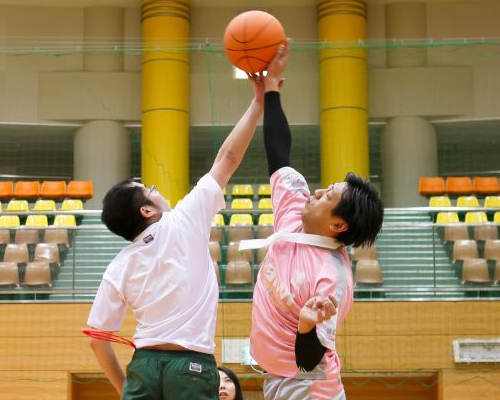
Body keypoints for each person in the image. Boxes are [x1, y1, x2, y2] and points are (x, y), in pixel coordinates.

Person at [84, 49, 288, 399]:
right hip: (190, 365)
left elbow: (98, 340)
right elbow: (228, 157)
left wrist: (127, 389)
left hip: (143, 365)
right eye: (147, 190)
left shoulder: (118, 266)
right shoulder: (184, 219)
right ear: (147, 211)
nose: (155, 189)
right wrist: (259, 102)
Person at [249, 41, 384, 399]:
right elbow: (279, 153)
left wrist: (307, 324)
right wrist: (271, 91)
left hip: (308, 386)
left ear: (338, 225)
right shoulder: (294, 216)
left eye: (327, 196)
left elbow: (311, 358)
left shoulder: (332, 279)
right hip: (279, 378)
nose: (316, 193)